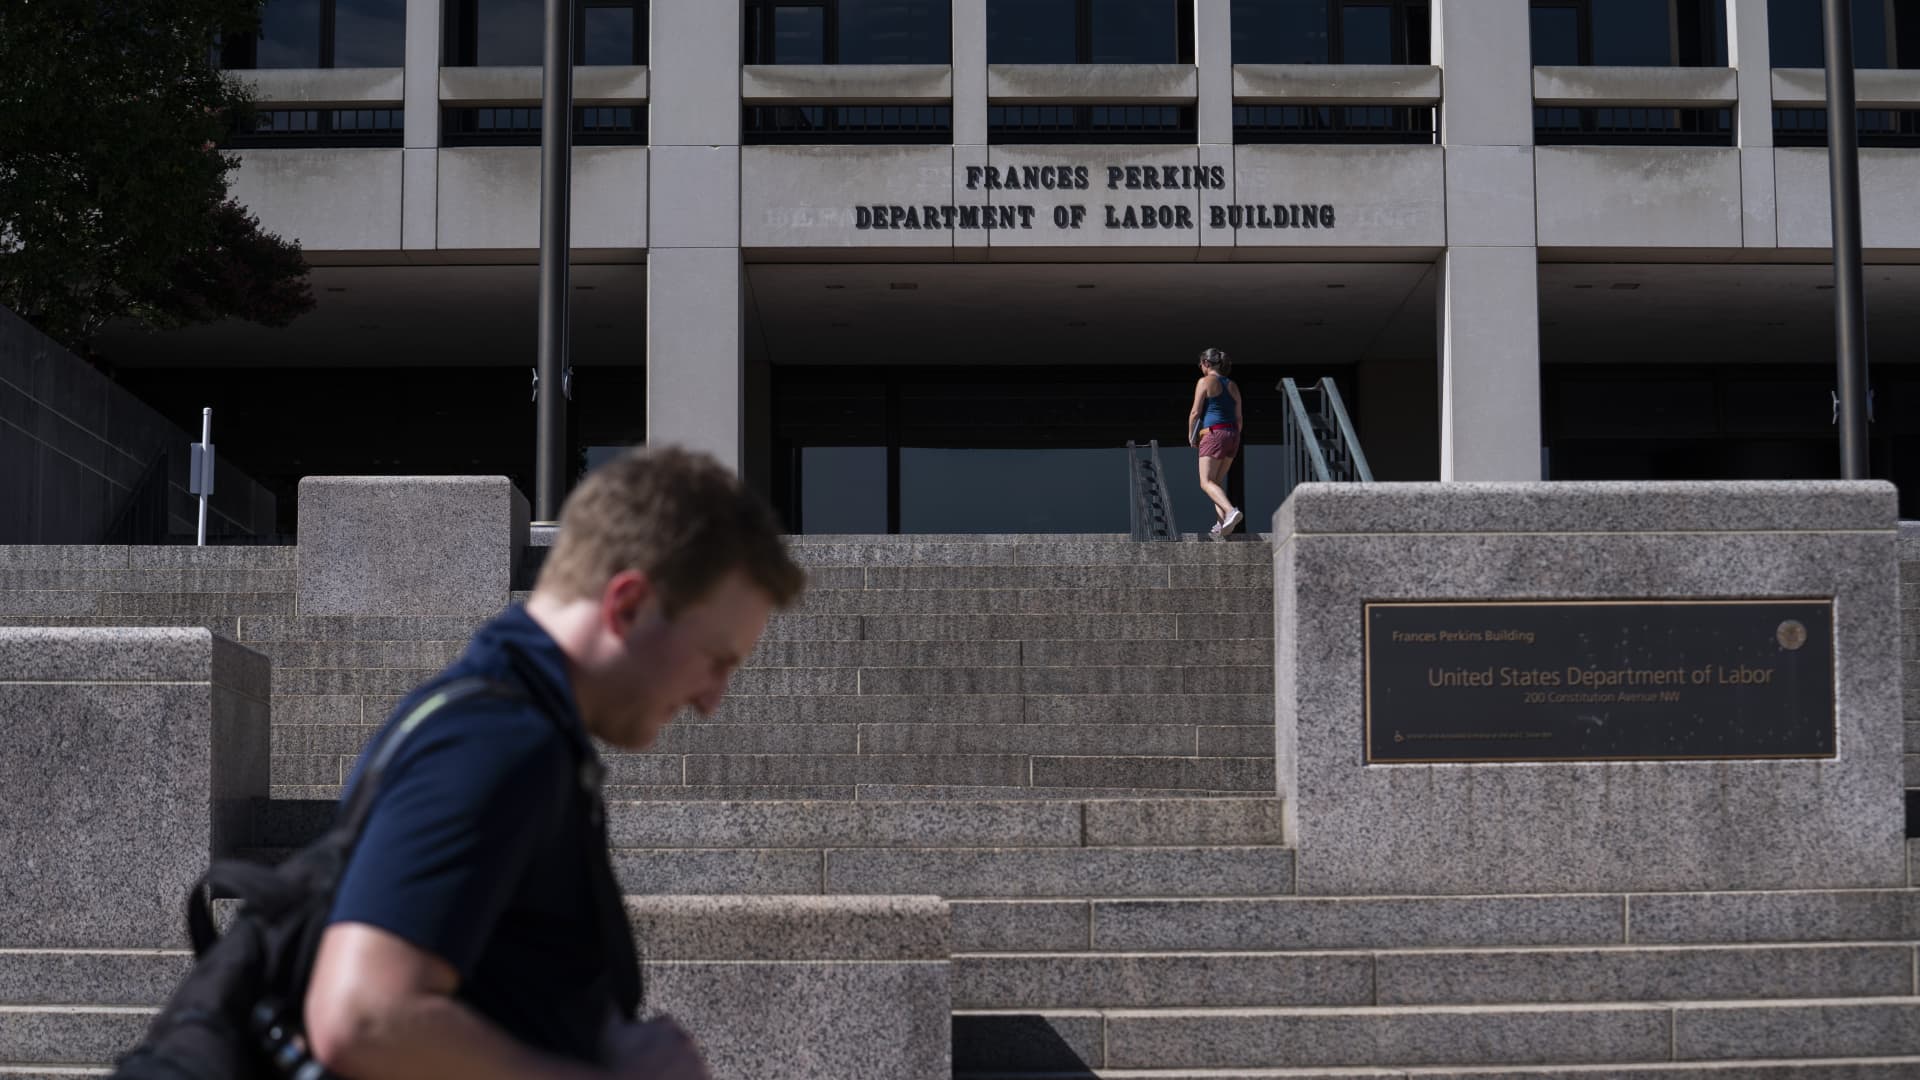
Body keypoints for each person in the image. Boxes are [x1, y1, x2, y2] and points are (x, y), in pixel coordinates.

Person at [302, 447, 806, 1079]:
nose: (712, 701)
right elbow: (362, 1019)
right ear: (627, 605)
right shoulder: (494, 741)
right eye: (716, 660)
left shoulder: (503, 722)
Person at [1187, 347, 1244, 536]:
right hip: (1233, 435)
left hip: (1214, 434)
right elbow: (1239, 418)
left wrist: (1191, 435)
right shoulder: (1232, 385)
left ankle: (1230, 511)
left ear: (1205, 363)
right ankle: (1222, 522)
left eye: (1200, 365)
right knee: (1216, 482)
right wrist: (1232, 436)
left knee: (1205, 482)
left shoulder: (1204, 381)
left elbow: (1195, 412)